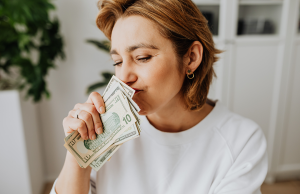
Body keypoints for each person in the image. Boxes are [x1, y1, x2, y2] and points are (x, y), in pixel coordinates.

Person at [51, 0, 268, 193]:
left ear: (191, 57)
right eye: (117, 62)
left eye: (142, 57)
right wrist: (77, 155)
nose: (123, 76)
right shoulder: (106, 128)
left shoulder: (242, 141)